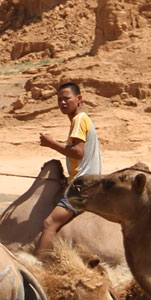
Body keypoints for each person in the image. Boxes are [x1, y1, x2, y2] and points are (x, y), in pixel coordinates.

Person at [36, 82, 101, 258]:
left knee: (49, 223)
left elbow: (78, 152)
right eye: (59, 100)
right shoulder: (81, 120)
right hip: (85, 181)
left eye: (66, 98)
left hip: (82, 186)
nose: (62, 103)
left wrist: (51, 143)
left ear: (79, 99)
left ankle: (40, 265)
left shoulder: (79, 120)